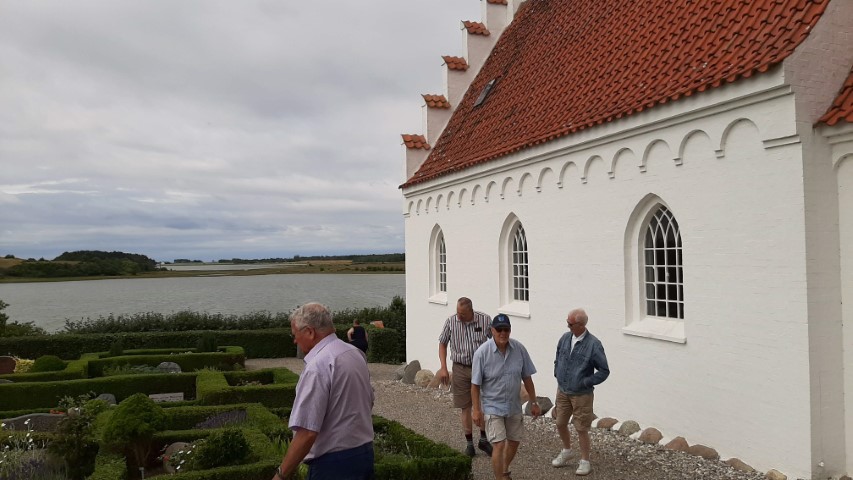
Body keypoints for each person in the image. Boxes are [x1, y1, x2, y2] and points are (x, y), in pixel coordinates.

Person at [273, 303, 374, 480]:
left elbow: (307, 431)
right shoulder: (355, 353)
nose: (294, 340)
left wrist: (280, 475)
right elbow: (368, 401)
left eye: (295, 335)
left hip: (333, 465)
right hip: (364, 454)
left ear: (310, 332)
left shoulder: (318, 365)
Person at [471, 314, 541, 480]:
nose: (503, 333)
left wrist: (534, 402)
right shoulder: (482, 353)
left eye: (506, 329)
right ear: (492, 330)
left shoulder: (519, 349)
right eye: (499, 329)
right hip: (492, 406)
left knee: (515, 441)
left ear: (510, 330)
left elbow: (527, 378)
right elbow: (475, 385)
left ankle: (504, 469)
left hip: (513, 406)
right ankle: (499, 477)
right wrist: (476, 410)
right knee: (499, 444)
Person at [551, 308, 610, 476]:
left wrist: (586, 381)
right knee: (560, 423)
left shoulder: (594, 344)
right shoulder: (564, 338)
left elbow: (604, 370)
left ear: (581, 324)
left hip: (582, 395)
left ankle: (585, 461)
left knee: (581, 428)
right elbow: (557, 355)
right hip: (562, 391)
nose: (567, 326)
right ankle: (567, 450)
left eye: (570, 323)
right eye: (567, 323)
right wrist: (557, 372)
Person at [436, 297, 494, 457]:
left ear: (470, 311)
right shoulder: (451, 322)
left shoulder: (485, 320)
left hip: (481, 368)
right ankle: (469, 443)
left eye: (462, 313)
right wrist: (443, 367)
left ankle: (483, 439)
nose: (458, 316)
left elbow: (495, 340)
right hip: (460, 368)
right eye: (457, 312)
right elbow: (442, 343)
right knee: (465, 406)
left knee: (483, 403)